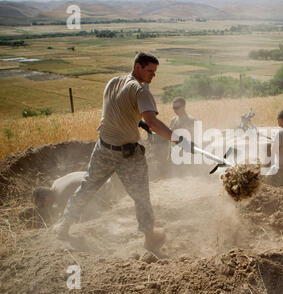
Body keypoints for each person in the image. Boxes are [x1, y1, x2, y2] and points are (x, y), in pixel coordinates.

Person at [54, 52, 194, 253]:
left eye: (155, 72)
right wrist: (177, 139)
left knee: (87, 187)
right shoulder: (140, 91)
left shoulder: (113, 82)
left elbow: (118, 111)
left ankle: (64, 225)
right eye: (150, 71)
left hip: (103, 148)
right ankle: (149, 237)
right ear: (138, 67)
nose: (153, 76)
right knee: (141, 196)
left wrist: (136, 122)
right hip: (127, 154)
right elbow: (153, 122)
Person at [32, 171, 116, 225]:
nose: (45, 207)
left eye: (43, 205)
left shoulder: (61, 196)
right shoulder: (55, 184)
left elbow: (69, 216)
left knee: (85, 222)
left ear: (47, 198)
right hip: (102, 177)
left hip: (105, 187)